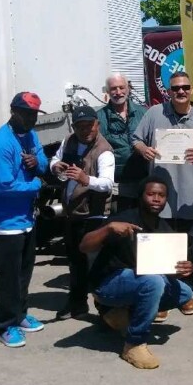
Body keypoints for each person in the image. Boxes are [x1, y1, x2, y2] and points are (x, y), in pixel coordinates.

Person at [81, 176, 193, 369]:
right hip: (108, 284)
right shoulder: (123, 219)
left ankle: (121, 313)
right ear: (141, 196)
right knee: (153, 282)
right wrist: (108, 229)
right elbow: (84, 246)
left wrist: (184, 269)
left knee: (185, 292)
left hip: (137, 282)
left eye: (161, 195)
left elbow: (167, 269)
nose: (156, 199)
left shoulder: (165, 229)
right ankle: (133, 343)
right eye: (151, 194)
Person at [132, 71, 193, 279]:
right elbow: (136, 139)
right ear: (168, 92)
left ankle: (185, 292)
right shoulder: (155, 113)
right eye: (175, 88)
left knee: (189, 248)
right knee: (158, 245)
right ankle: (161, 291)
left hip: (190, 198)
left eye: (184, 87)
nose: (181, 91)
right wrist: (142, 149)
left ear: (191, 90)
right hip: (159, 198)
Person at [0, 91, 49, 348]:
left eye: (34, 113)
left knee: (24, 272)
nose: (31, 118)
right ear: (14, 112)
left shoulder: (30, 135)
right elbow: (3, 186)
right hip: (5, 224)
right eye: (27, 113)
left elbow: (42, 159)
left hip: (26, 219)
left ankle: (20, 315)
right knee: (8, 277)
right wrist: (36, 184)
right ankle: (5, 325)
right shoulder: (1, 143)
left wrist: (37, 162)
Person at [50, 105, 115, 320]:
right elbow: (55, 159)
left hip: (94, 216)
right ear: (74, 126)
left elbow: (107, 184)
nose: (85, 130)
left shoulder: (104, 150)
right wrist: (56, 166)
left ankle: (105, 309)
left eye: (89, 125)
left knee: (96, 264)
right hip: (72, 213)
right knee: (75, 262)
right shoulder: (69, 141)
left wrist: (85, 179)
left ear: (97, 124)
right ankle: (77, 304)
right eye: (80, 126)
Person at [97, 73, 148, 212]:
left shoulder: (144, 112)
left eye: (121, 87)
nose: (118, 92)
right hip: (118, 183)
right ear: (107, 91)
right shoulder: (99, 117)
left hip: (143, 178)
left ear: (128, 88)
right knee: (121, 220)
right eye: (113, 88)